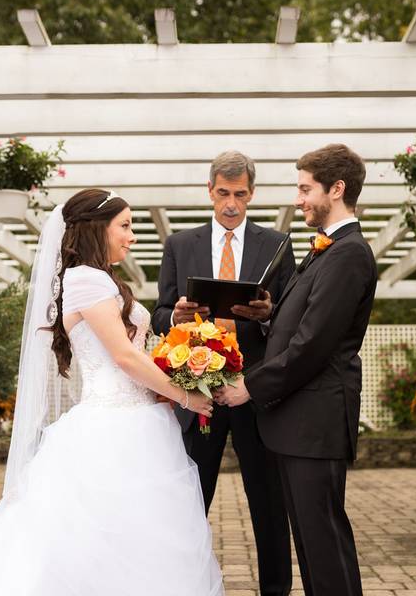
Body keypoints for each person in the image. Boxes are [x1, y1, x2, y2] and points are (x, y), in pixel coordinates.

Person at [0, 188, 224, 596]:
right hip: (112, 428)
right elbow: (124, 358)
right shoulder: (86, 279)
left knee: (132, 537)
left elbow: (135, 350)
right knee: (99, 537)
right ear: (98, 228)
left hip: (141, 420)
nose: (132, 236)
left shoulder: (100, 280)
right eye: (126, 226)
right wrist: (188, 396)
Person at [216, 144, 378, 596]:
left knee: (324, 545)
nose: (299, 199)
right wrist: (267, 315)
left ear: (337, 188)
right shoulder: (328, 250)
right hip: (298, 425)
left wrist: (248, 387)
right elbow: (303, 322)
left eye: (306, 189)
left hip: (315, 424)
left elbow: (312, 347)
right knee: (310, 544)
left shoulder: (348, 254)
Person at [152, 151, 295, 596]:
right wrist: (175, 315)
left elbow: (291, 319)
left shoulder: (278, 245)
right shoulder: (179, 245)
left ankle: (275, 590)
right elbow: (159, 314)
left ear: (252, 194)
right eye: (222, 193)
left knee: (269, 501)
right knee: (191, 498)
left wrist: (270, 314)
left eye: (239, 194)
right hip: (199, 393)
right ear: (209, 191)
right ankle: (180, 585)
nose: (231, 203)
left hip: (255, 392)